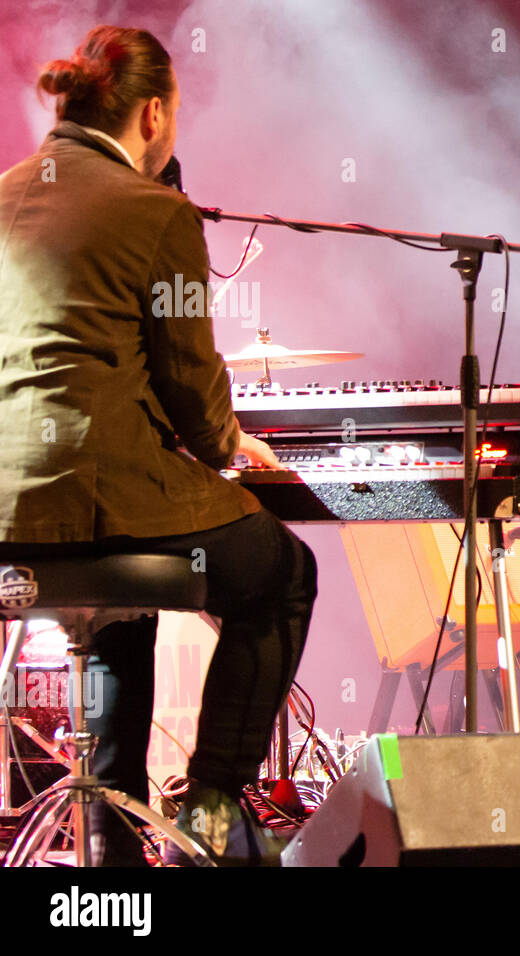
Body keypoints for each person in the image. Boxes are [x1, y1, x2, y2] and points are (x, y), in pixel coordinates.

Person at [0, 25, 316, 864]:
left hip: (5, 519)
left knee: (120, 591)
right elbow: (195, 402)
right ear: (151, 114)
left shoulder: (3, 195)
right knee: (283, 575)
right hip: (101, 502)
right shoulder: (156, 213)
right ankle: (211, 808)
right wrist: (230, 441)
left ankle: (112, 834)